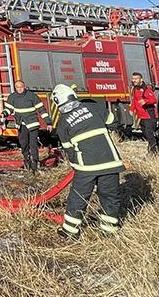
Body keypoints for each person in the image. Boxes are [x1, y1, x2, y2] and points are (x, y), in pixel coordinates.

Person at [50, 83, 125, 240]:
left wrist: (75, 164)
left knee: (78, 196)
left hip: (86, 167)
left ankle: (70, 231)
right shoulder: (93, 108)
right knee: (109, 196)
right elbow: (112, 121)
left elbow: (68, 149)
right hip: (110, 161)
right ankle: (109, 230)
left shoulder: (63, 123)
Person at [3, 80, 52, 171]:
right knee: (23, 144)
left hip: (32, 124)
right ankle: (27, 161)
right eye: (17, 87)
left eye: (21, 87)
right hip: (21, 125)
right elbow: (8, 109)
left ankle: (35, 164)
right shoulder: (12, 97)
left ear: (24, 86)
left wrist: (48, 122)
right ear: (15, 88)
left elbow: (41, 109)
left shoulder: (32, 96)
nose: (19, 89)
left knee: (33, 144)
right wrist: (4, 114)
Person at [129, 72, 159, 154]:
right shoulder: (135, 89)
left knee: (149, 133)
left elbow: (154, 99)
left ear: (141, 79)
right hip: (141, 116)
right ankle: (157, 145)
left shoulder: (146, 89)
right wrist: (131, 109)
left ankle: (153, 153)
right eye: (133, 79)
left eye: (136, 79)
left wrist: (145, 101)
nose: (134, 80)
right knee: (145, 133)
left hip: (148, 115)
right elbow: (134, 101)